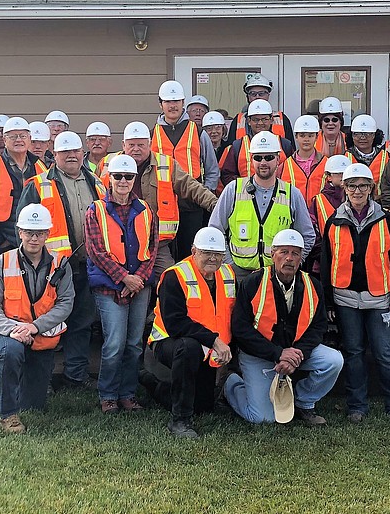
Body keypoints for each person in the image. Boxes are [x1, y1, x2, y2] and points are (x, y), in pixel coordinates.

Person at [225, 230, 344, 425]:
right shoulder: (253, 283)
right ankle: (231, 385)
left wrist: (298, 355)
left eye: (295, 253)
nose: (289, 258)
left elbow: (318, 327)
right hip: (259, 354)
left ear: (301, 258)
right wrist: (278, 353)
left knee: (333, 361)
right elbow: (241, 330)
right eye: (283, 252)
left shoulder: (312, 285)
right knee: (263, 418)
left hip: (295, 351)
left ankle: (303, 402)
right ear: (273, 254)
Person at [318, 163, 390, 421]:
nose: (358, 191)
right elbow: (327, 262)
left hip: (380, 300)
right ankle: (357, 406)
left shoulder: (386, 220)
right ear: (344, 188)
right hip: (345, 300)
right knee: (354, 353)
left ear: (371, 188)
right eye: (352, 185)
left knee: (384, 353)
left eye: (363, 186)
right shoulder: (334, 221)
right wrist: (329, 303)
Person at [16, 130, 105, 388]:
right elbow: (20, 227)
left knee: (82, 321)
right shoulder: (38, 184)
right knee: (45, 320)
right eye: (65, 152)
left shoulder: (97, 183)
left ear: (82, 153)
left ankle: (75, 375)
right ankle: (36, 377)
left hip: (87, 266)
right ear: (54, 155)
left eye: (75, 151)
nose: (71, 156)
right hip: (51, 268)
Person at [0, 203, 76, 434]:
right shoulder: (1, 263)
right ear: (20, 232)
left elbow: (65, 304)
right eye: (29, 232)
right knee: (12, 350)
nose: (34, 238)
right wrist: (14, 329)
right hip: (8, 334)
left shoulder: (61, 264)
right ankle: (8, 415)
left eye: (40, 233)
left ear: (47, 234)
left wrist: (34, 327)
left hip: (40, 335)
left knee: (33, 404)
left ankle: (6, 368)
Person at [146, 226, 237, 438]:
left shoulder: (228, 273)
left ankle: (155, 386)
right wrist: (215, 341)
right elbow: (175, 324)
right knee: (188, 348)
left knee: (203, 405)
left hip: (209, 347)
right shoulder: (175, 275)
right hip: (170, 342)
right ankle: (179, 420)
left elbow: (233, 315)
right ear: (194, 251)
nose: (213, 259)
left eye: (218, 254)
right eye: (207, 253)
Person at [86, 154, 159, 414]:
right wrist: (123, 278)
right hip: (110, 287)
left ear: (134, 179)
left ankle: (127, 394)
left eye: (129, 176)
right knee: (114, 343)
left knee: (133, 344)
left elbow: (152, 247)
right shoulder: (96, 210)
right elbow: (96, 251)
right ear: (109, 178)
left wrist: (137, 279)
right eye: (118, 176)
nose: (123, 181)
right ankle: (108, 395)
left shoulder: (146, 209)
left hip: (139, 286)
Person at [116, 120, 218, 273]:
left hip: (157, 244)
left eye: (141, 145)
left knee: (169, 278)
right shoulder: (109, 165)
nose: (136, 149)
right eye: (131, 145)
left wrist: (216, 205)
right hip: (121, 243)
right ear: (123, 145)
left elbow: (191, 187)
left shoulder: (166, 164)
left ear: (150, 144)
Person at [210, 131, 315, 271]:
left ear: (278, 159)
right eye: (258, 158)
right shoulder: (233, 190)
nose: (263, 162)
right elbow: (215, 229)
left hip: (276, 274)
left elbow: (307, 235)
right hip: (238, 273)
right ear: (251, 159)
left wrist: (292, 264)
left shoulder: (292, 194)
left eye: (269, 157)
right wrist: (230, 264)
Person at [152, 80, 221, 258]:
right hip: (162, 203)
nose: (172, 106)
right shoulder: (153, 133)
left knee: (190, 252)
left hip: (192, 203)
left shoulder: (198, 132)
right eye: (168, 102)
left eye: (176, 101)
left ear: (183, 103)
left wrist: (205, 192)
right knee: (164, 253)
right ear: (161, 104)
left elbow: (212, 168)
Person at [0, 116, 48, 256]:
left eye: (23, 136)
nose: (18, 140)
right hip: (2, 245)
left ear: (29, 139)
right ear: (5, 140)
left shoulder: (41, 167)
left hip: (35, 244)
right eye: (13, 136)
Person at [218, 100, 292, 185]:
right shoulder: (238, 146)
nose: (260, 123)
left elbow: (290, 171)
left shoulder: (284, 145)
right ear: (249, 121)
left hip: (278, 194)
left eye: (264, 119)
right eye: (256, 120)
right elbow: (227, 174)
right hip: (246, 195)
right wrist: (244, 185)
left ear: (271, 119)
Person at [225, 73, 291, 144]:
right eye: (253, 94)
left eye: (261, 93)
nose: (257, 97)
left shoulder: (282, 119)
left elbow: (290, 150)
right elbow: (230, 149)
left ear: (268, 95)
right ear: (248, 97)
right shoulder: (238, 120)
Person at [281, 115, 328, 211]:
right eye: (302, 135)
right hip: (293, 215)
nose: (306, 139)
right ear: (296, 137)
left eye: (310, 135)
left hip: (320, 216)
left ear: (317, 137)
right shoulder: (284, 166)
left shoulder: (326, 163)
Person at [346, 114, 389, 187]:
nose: (363, 137)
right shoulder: (345, 158)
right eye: (358, 134)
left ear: (374, 135)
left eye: (367, 134)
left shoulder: (387, 158)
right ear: (352, 136)